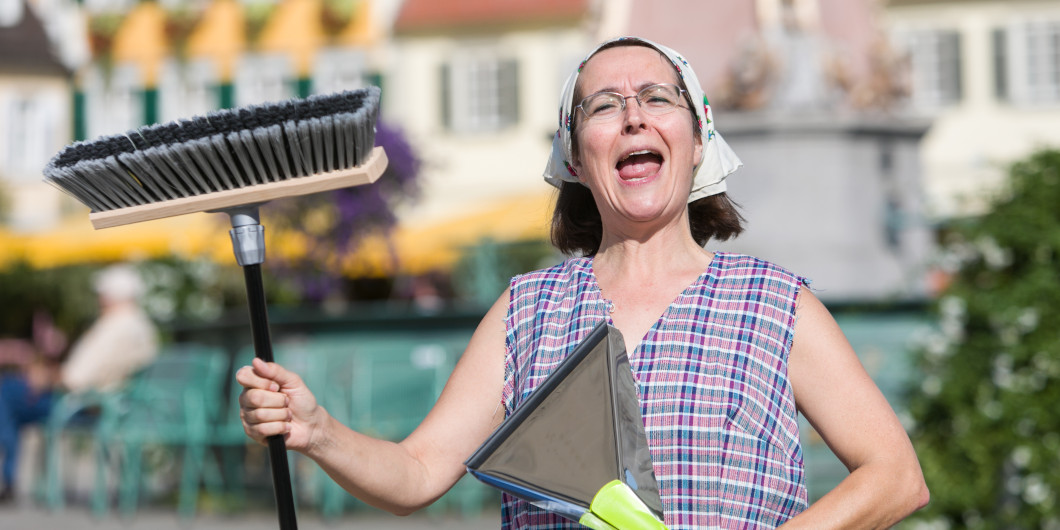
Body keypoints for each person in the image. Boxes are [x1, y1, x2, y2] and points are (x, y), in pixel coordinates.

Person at [238, 36, 929, 528]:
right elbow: (418, 473)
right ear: (575, 155)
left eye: (657, 97)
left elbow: (895, 477)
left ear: (698, 138)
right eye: (603, 105)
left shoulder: (775, 305)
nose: (632, 114)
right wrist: (319, 430)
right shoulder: (526, 309)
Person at [0, 264, 158, 502]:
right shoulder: (143, 327)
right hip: (111, 401)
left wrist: (43, 376)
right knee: (9, 404)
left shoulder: (114, 327)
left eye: (101, 293)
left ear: (111, 296)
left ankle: (9, 479)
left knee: (6, 393)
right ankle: (9, 477)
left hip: (88, 405)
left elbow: (74, 378)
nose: (98, 298)